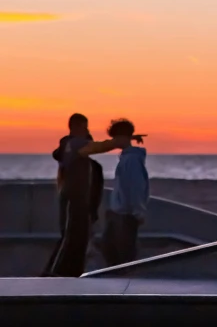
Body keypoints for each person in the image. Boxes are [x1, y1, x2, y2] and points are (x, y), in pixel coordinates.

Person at [43, 122, 131, 277]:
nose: (87, 130)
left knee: (72, 240)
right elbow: (98, 147)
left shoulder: (71, 155)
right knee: (73, 240)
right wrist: (120, 141)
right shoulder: (77, 150)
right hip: (78, 204)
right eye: (85, 127)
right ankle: (59, 273)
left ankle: (60, 272)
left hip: (76, 203)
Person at [100, 119, 149, 267]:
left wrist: (137, 212)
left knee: (123, 256)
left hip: (125, 215)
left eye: (115, 137)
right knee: (112, 250)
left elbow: (134, 187)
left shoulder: (131, 160)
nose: (113, 141)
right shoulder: (128, 157)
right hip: (120, 213)